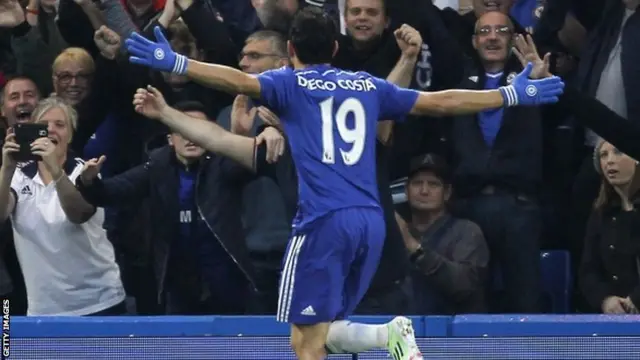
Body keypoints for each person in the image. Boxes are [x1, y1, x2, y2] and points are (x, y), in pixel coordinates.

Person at [124, 7, 564, 360]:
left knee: (306, 343)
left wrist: (178, 62)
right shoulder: (368, 85)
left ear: (290, 49)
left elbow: (236, 80)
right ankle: (386, 336)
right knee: (316, 332)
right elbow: (441, 102)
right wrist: (510, 94)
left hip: (322, 223)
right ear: (335, 47)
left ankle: (385, 336)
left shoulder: (289, 83)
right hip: (371, 224)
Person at [0, 96, 126, 316]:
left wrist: (56, 170)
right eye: (43, 126)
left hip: (98, 303)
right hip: (44, 308)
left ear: (70, 135)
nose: (50, 131)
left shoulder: (85, 172)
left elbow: (78, 214)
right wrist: (7, 169)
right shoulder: (19, 176)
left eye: (60, 125)